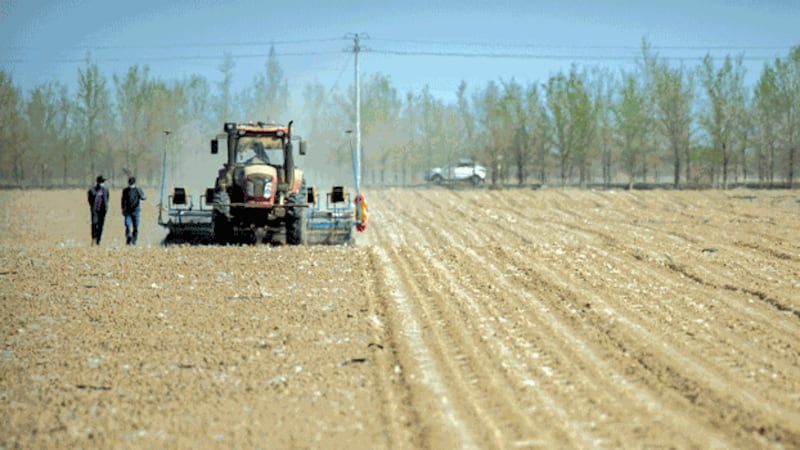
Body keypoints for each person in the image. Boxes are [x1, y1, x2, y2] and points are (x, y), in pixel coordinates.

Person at [121, 176, 147, 245]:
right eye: (130, 183)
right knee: (127, 224)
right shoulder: (125, 190)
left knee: (136, 227)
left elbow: (144, 197)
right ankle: (128, 237)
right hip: (127, 211)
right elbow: (123, 200)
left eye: (132, 183)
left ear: (134, 183)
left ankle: (134, 240)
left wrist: (140, 194)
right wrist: (123, 209)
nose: (131, 185)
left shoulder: (138, 189)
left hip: (136, 211)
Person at [87, 175, 109, 245]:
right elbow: (90, 200)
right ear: (97, 182)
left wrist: (105, 208)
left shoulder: (105, 190)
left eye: (103, 182)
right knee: (94, 224)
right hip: (95, 210)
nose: (102, 183)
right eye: (101, 182)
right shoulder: (92, 190)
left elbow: (107, 199)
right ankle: (93, 237)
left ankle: (98, 241)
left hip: (102, 211)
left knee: (100, 226)